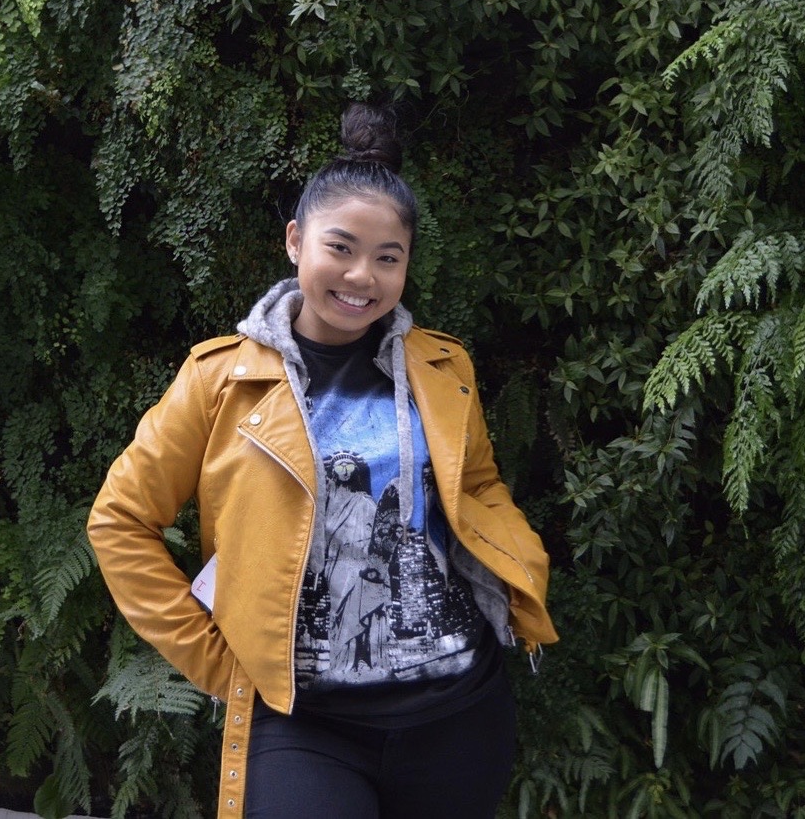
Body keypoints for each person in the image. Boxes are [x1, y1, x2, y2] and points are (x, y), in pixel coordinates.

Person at [87, 103, 558, 819]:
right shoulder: (220, 380)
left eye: (388, 258)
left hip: (460, 709)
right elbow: (120, 521)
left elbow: (478, 483)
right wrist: (215, 657)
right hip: (302, 720)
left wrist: (522, 566)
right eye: (340, 248)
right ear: (294, 242)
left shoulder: (442, 367)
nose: (361, 276)